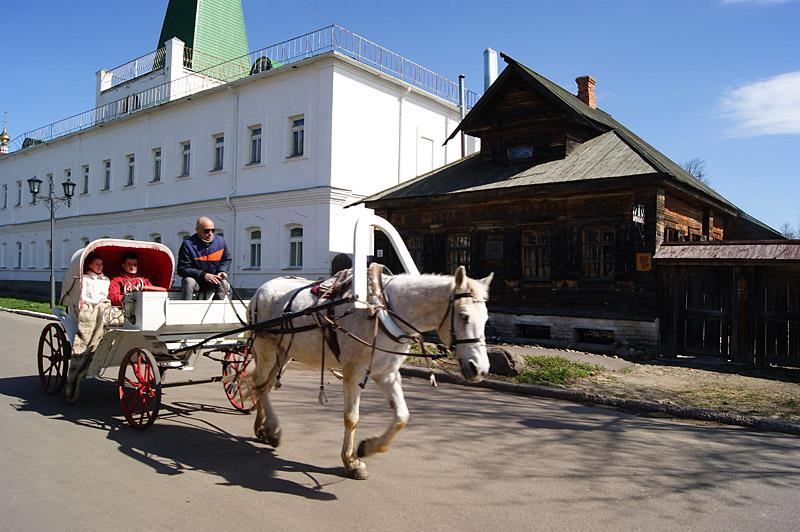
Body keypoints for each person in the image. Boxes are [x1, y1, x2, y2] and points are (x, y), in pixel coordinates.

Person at [68, 252, 111, 403]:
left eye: (102, 264)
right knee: (94, 315)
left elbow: (107, 295)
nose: (100, 266)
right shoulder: (85, 279)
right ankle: (86, 348)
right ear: (90, 265)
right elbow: (82, 296)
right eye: (97, 264)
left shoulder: (106, 279)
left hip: (103, 306)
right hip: (89, 306)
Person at [178, 216, 231, 300]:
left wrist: (222, 270)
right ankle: (186, 309)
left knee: (224, 284)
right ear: (197, 230)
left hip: (214, 281)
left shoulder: (221, 242)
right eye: (206, 231)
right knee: (188, 282)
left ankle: (218, 311)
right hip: (196, 281)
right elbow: (182, 269)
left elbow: (226, 259)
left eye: (213, 230)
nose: (210, 233)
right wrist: (203, 275)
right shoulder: (187, 244)